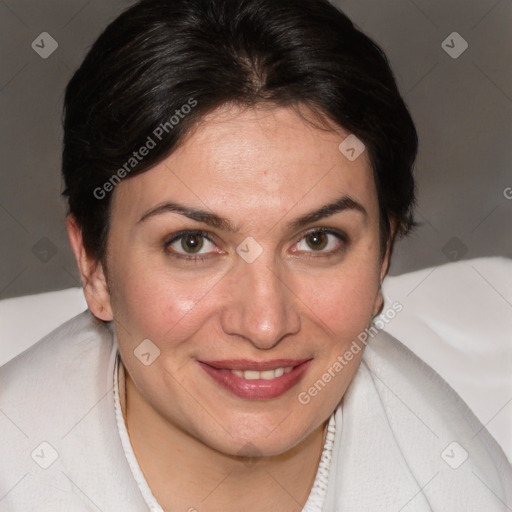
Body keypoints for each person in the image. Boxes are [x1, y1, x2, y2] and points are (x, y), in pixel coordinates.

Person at [1, 0, 511, 510]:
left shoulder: (462, 489)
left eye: (317, 240)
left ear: (383, 260)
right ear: (94, 267)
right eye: (193, 243)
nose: (265, 325)